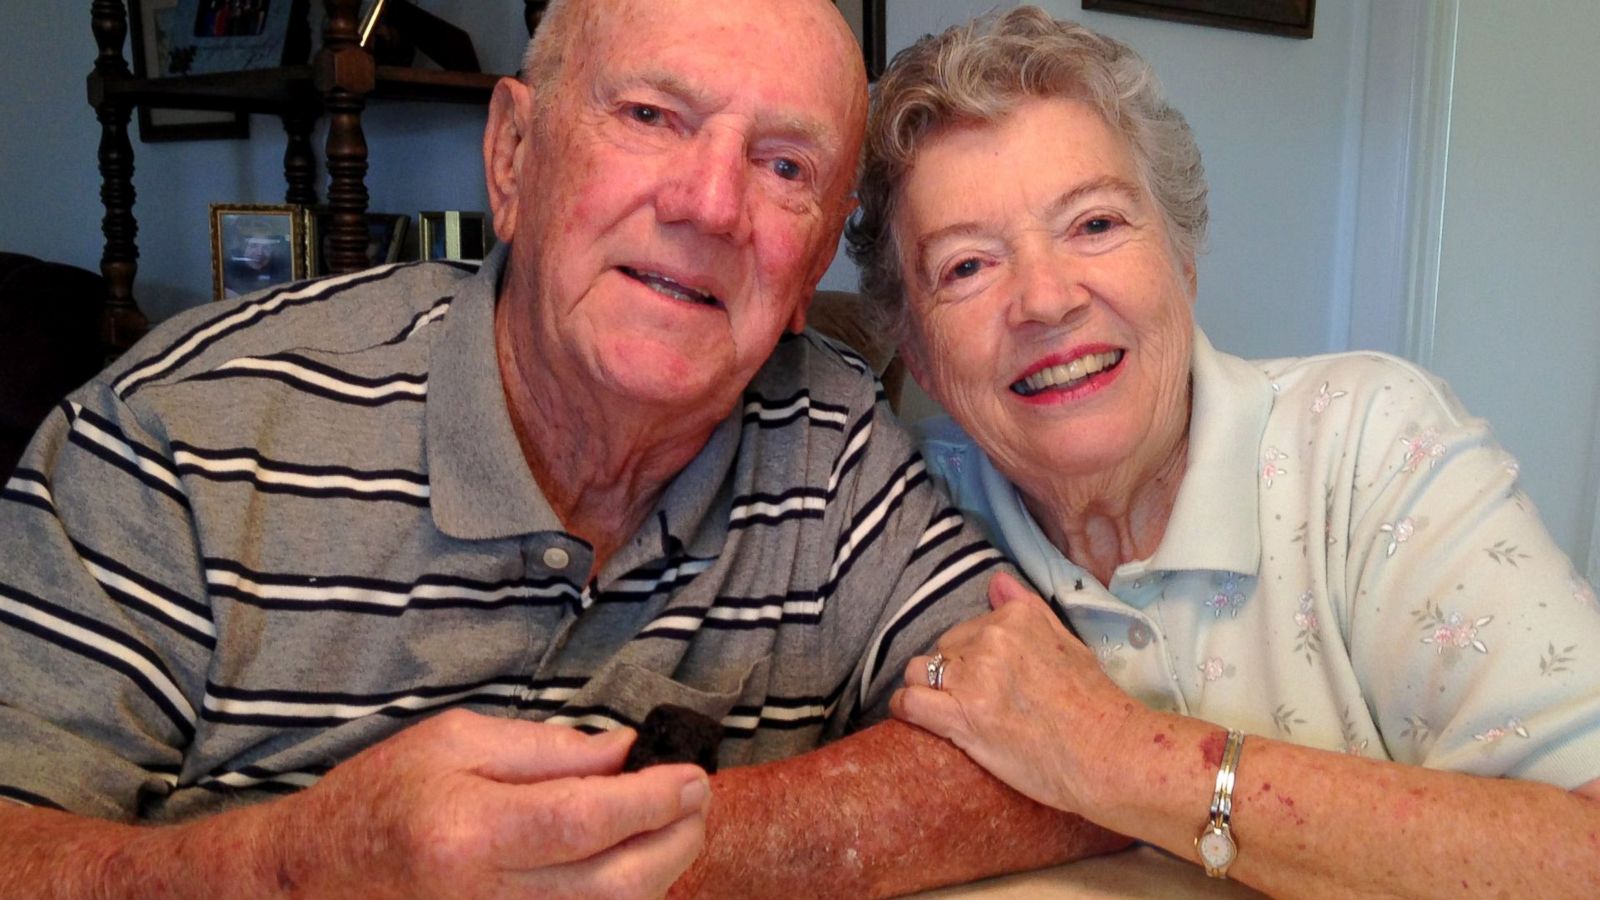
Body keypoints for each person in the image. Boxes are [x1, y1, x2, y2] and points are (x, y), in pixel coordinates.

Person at [0, 1, 1123, 897]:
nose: (710, 204)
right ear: (514, 157)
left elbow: (1055, 757)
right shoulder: (178, 432)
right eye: (649, 115)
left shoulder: (831, 442)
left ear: (810, 266)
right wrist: (297, 867)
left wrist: (626, 857)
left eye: (785, 167)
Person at [845, 7, 1600, 896]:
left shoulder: (1370, 444)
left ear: (1181, 261)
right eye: (968, 267)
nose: (1045, 300)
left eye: (1094, 223)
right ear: (919, 352)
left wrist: (1115, 755)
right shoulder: (896, 513)